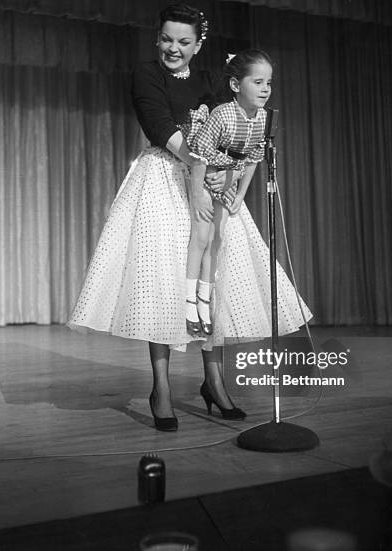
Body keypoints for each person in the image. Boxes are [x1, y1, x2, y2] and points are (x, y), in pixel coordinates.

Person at [69, 3, 312, 431]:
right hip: (164, 177)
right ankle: (161, 388)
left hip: (210, 178)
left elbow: (229, 128)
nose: (172, 48)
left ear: (198, 45)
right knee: (164, 282)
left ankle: (214, 381)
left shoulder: (208, 83)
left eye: (183, 41)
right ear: (157, 39)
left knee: (213, 277)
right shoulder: (147, 74)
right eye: (166, 39)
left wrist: (225, 176)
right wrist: (206, 166)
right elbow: (160, 125)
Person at [184, 49, 272, 338]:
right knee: (202, 236)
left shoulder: (261, 120)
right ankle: (188, 303)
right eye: (257, 82)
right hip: (204, 173)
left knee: (217, 240)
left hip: (228, 179)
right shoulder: (223, 114)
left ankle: (204, 301)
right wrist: (198, 193)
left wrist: (240, 194)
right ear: (236, 85)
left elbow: (252, 159)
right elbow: (199, 154)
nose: (265, 89)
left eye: (268, 83)